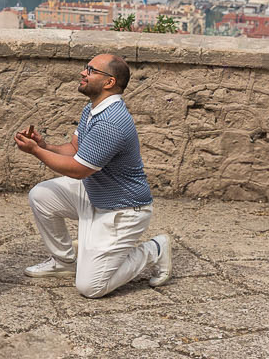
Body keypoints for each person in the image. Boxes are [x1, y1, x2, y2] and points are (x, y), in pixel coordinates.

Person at [14, 51, 172, 299]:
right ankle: (64, 261)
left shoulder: (112, 121)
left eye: (90, 70)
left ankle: (155, 250)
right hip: (96, 195)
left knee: (90, 287)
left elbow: (79, 169)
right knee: (42, 195)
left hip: (123, 210)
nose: (82, 73)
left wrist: (35, 152)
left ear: (109, 82)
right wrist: (44, 146)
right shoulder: (92, 109)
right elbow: (76, 151)